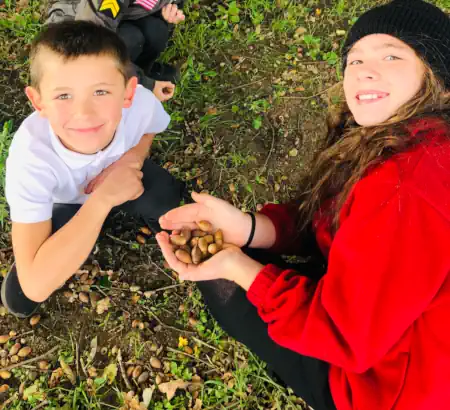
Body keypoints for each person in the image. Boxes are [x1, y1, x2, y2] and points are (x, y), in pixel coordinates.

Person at [155, 1, 450, 409]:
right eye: (355, 58)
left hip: (385, 387)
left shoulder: (404, 188)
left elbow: (344, 337)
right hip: (384, 324)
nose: (364, 69)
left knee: (226, 289)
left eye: (392, 55)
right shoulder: (402, 142)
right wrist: (249, 227)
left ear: (440, 79)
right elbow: (334, 219)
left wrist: (236, 267)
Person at [0, 21, 184, 319]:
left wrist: (132, 160)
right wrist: (103, 199)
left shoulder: (141, 105)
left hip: (125, 174)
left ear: (127, 93)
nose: (83, 113)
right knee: (23, 297)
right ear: (38, 102)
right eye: (63, 96)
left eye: (100, 92)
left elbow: (150, 129)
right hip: (67, 204)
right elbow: (34, 285)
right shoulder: (30, 159)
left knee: (169, 201)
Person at [46, 0, 185, 102]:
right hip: (77, 36)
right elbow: (93, 51)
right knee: (131, 40)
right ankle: (118, 87)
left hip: (122, 17)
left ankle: (138, 71)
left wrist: (169, 12)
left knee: (156, 31)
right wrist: (147, 86)